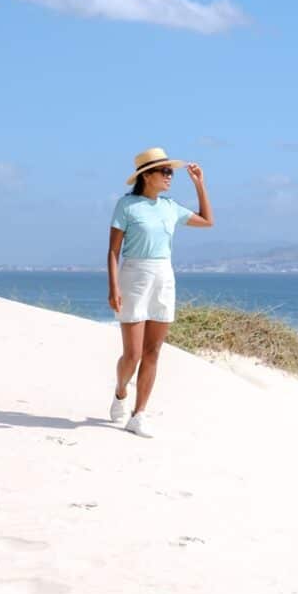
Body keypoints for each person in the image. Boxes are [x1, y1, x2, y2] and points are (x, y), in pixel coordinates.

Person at [107, 147, 213, 437]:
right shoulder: (126, 206)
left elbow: (207, 220)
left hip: (164, 277)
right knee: (132, 354)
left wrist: (199, 184)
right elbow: (113, 250)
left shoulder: (170, 206)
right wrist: (113, 287)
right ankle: (120, 392)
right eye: (164, 171)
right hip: (134, 277)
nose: (169, 176)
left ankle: (138, 415)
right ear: (147, 175)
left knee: (153, 351)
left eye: (171, 171)